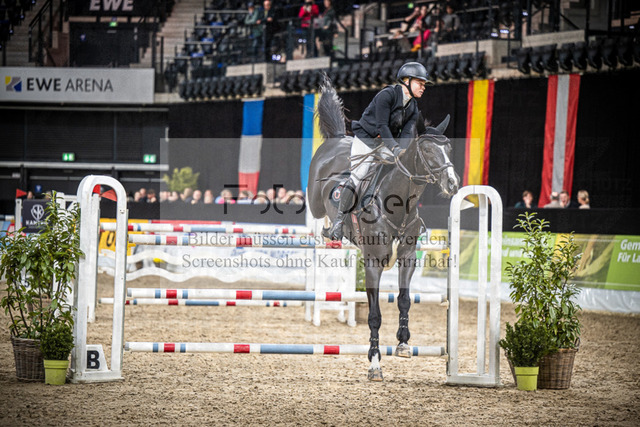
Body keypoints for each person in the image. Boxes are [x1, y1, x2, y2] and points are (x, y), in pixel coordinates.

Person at [327, 62, 433, 241]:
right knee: (359, 175)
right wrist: (394, 148)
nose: (423, 87)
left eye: (424, 84)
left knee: (403, 173)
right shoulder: (387, 95)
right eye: (420, 83)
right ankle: (339, 221)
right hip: (366, 140)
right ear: (406, 81)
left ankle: (408, 219)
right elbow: (382, 126)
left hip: (385, 144)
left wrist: (403, 151)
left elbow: (407, 133)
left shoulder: (413, 107)